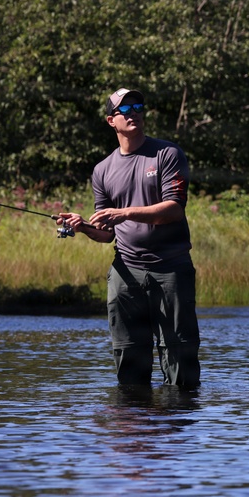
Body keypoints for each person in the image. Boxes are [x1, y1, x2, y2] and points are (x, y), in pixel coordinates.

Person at [58, 87, 200, 388]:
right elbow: (106, 232)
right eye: (124, 109)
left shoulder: (167, 154)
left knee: (180, 359)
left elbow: (174, 209)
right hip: (125, 272)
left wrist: (124, 213)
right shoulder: (102, 170)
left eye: (137, 107)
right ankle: (133, 416)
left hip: (171, 268)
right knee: (129, 357)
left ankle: (178, 416)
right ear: (111, 120)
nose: (133, 112)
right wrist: (83, 226)